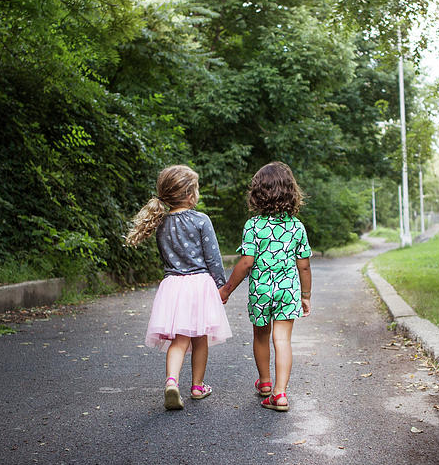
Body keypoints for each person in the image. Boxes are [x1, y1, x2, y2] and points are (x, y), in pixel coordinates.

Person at [125, 165, 232, 411]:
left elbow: (166, 256)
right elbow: (213, 257)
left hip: (173, 286)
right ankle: (197, 386)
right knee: (200, 337)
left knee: (180, 340)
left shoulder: (160, 222)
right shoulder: (200, 220)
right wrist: (221, 287)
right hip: (199, 284)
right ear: (189, 193)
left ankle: (171, 382)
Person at [219, 162, 312, 412]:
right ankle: (280, 394)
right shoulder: (296, 227)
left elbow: (246, 262)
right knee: (282, 339)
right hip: (288, 291)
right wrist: (305, 296)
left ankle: (265, 384)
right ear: (291, 192)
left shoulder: (253, 226)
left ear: (258, 194)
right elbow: (304, 266)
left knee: (261, 336)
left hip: (261, 291)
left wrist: (227, 289)